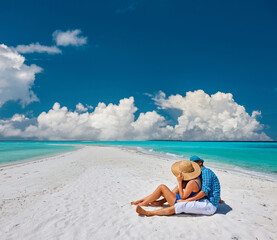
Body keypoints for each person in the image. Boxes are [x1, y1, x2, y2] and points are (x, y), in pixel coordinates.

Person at [135, 156, 221, 216]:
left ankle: (149, 213)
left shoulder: (205, 172)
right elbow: (212, 187)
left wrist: (185, 200)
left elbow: (204, 192)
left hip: (210, 204)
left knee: (179, 205)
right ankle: (149, 201)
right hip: (204, 199)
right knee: (169, 189)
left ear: (200, 163)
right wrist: (219, 198)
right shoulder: (199, 175)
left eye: (194, 164)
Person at [131, 160, 202, 207]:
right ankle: (142, 200)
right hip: (179, 198)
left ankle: (144, 203)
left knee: (162, 187)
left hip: (177, 202)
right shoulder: (196, 178)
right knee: (162, 191)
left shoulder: (192, 183)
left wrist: (179, 182)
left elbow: (183, 197)